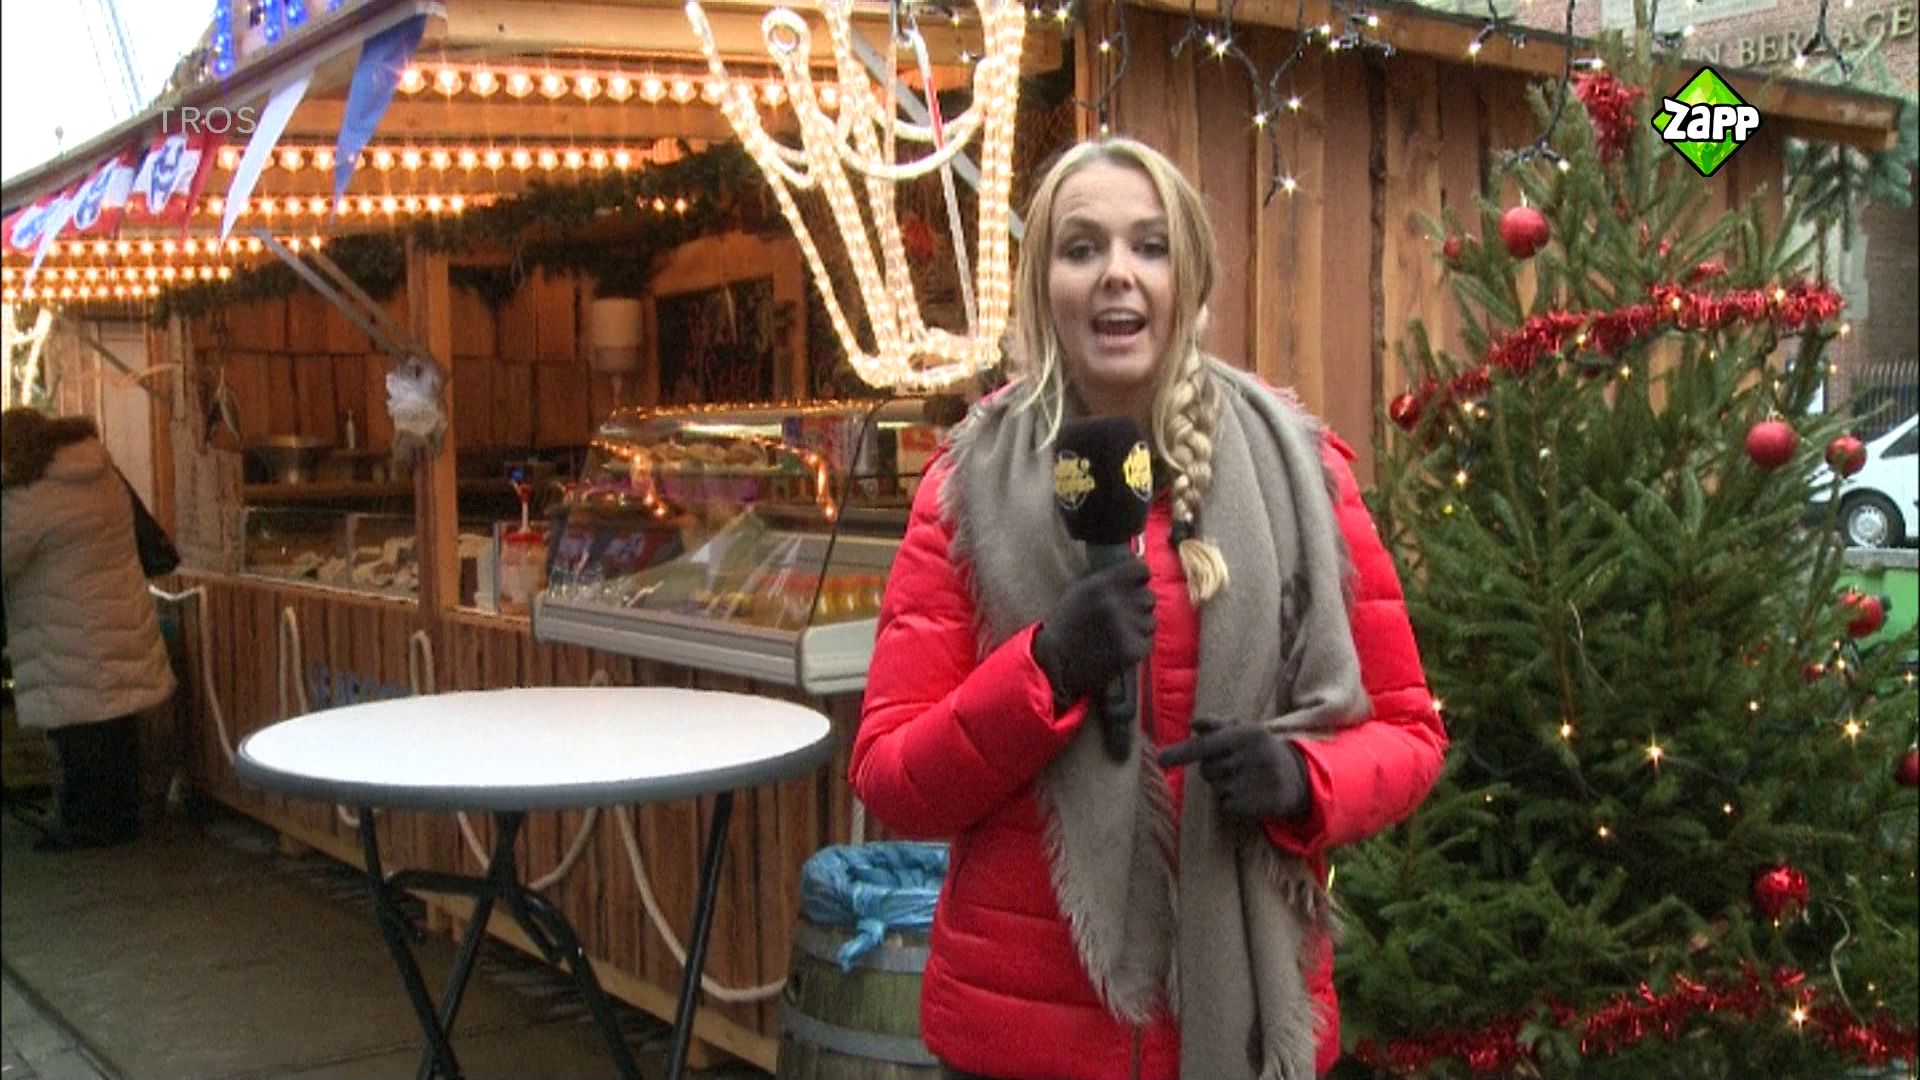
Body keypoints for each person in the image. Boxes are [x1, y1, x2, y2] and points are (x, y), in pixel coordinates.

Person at [850, 137, 1448, 1080]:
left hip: (1241, 1030)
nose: (1117, 274)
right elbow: (890, 778)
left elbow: (1410, 733)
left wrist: (1304, 779)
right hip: (1024, 1043)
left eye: (1151, 246)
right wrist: (1046, 669)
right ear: (1044, 284)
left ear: (1189, 279)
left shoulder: (1303, 470)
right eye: (1082, 248)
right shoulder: (964, 489)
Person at [2, 407, 176, 850]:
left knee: (77, 735)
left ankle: (83, 825)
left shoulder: (30, 494)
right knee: (117, 727)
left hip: (67, 633)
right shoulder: (101, 472)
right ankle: (122, 820)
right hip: (121, 618)